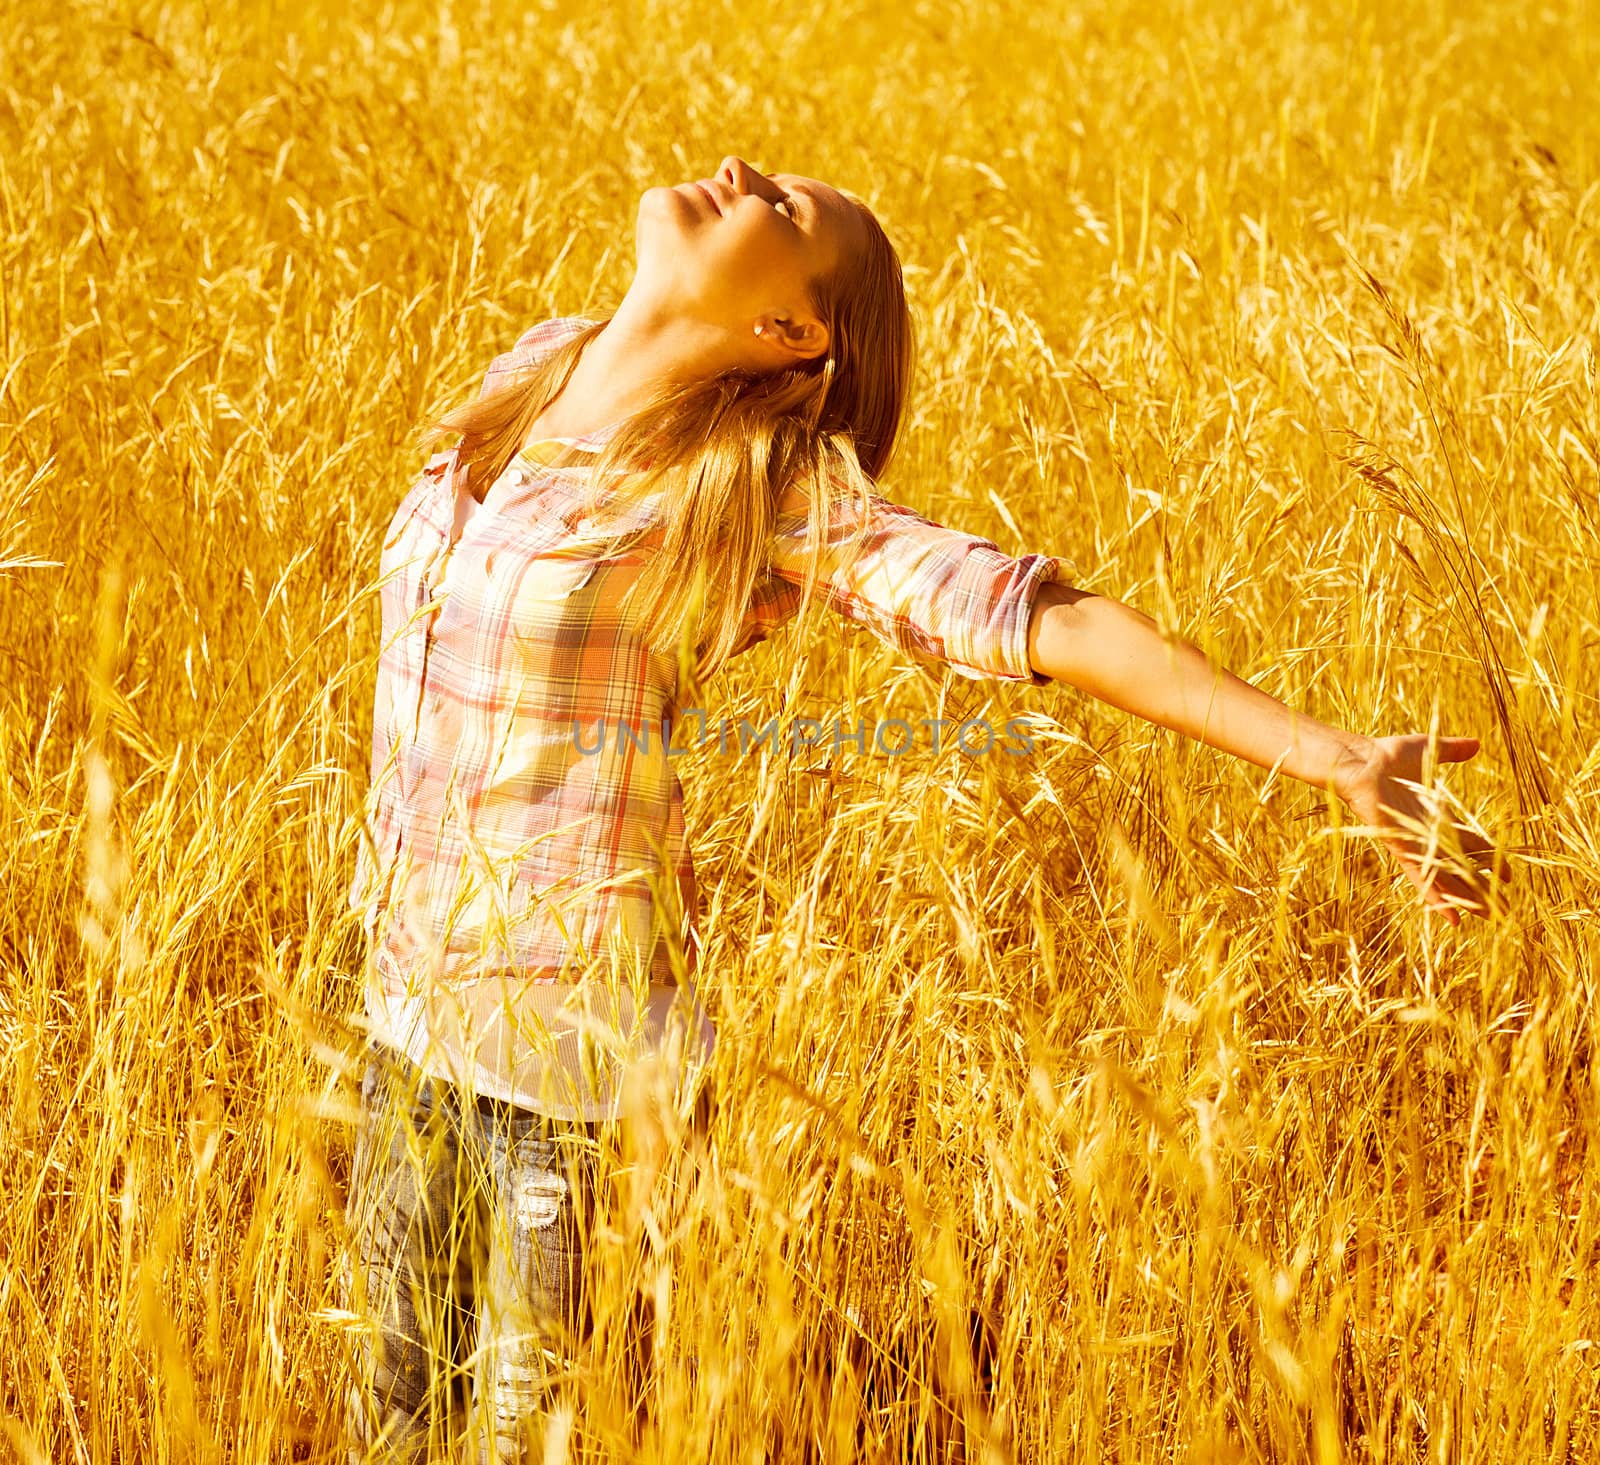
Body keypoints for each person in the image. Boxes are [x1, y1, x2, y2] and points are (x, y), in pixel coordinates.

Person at [339, 155, 1507, 1462]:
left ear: (790, 332)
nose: (739, 172)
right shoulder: (537, 370)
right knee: (390, 1419)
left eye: (782, 211)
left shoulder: (749, 479)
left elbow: (1025, 613)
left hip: (576, 1082)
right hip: (406, 1021)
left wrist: (1332, 753)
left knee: (523, 1443)